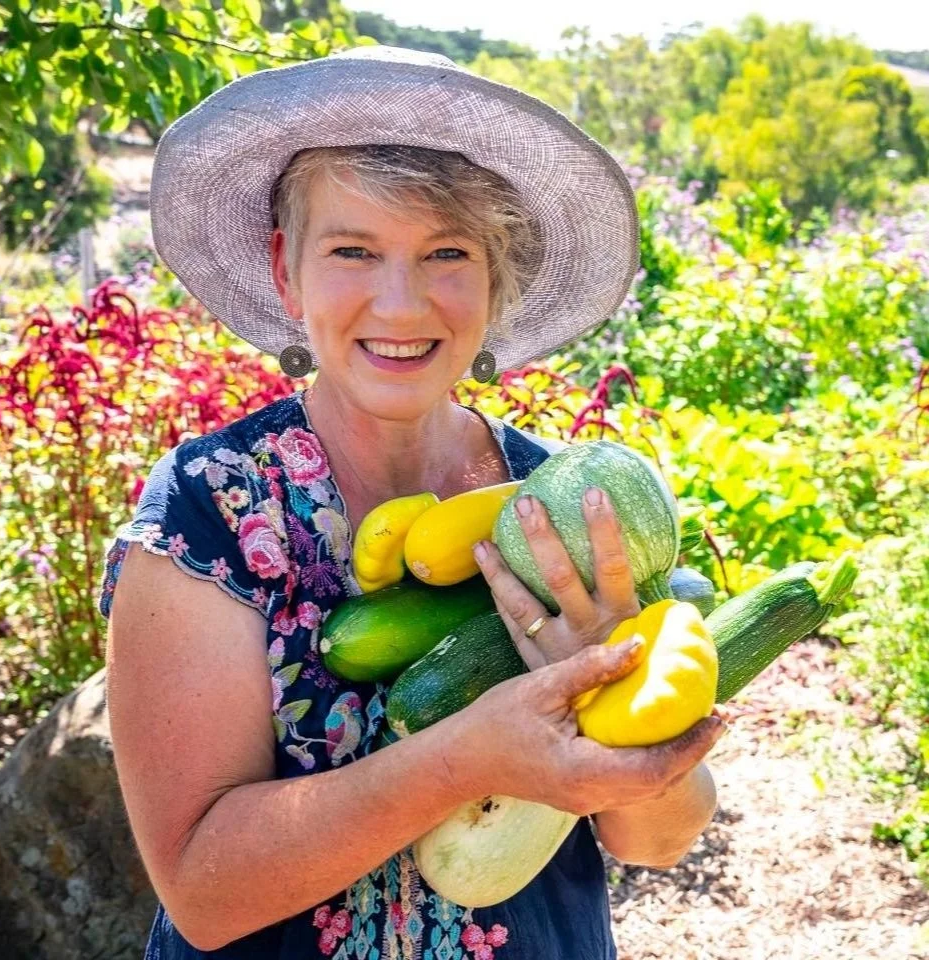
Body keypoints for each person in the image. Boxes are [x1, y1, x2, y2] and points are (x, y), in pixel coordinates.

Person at [99, 44, 727, 960]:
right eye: (353, 250)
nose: (400, 303)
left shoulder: (572, 504)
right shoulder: (213, 511)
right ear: (287, 270)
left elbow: (658, 840)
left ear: (494, 278)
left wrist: (619, 687)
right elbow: (202, 891)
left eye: (446, 253)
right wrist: (464, 760)